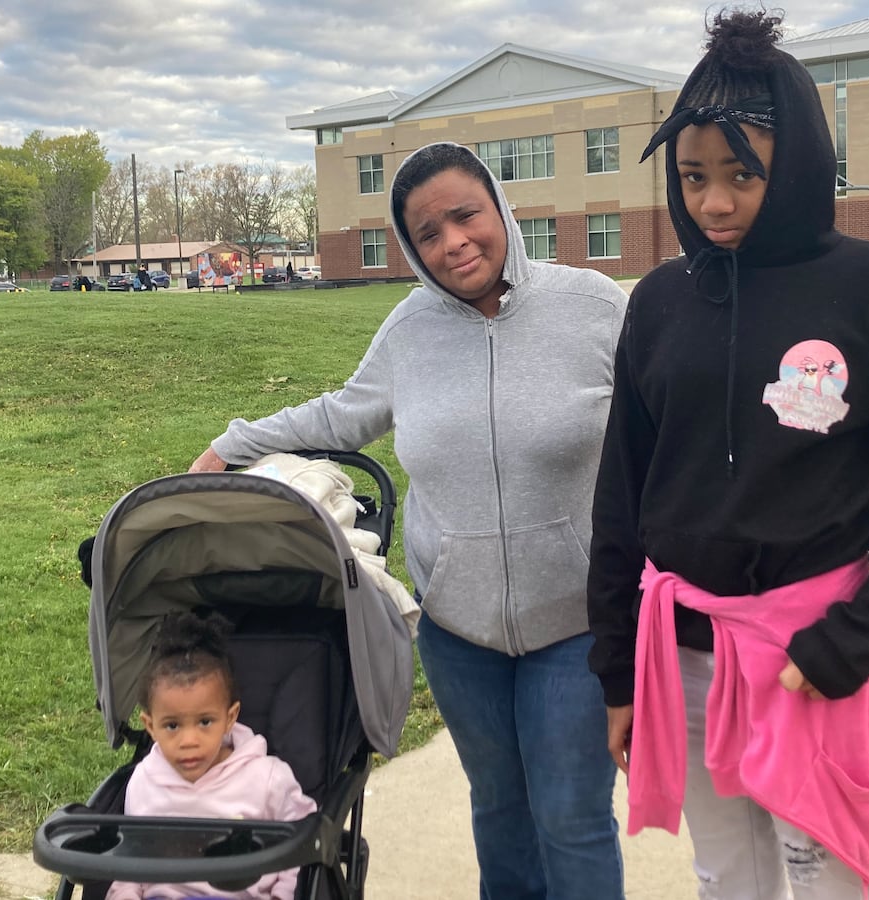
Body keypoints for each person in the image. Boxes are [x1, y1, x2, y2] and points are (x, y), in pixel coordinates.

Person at [586, 9, 869, 900]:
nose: (714, 202)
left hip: (813, 658)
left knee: (830, 878)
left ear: (798, 164)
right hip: (682, 660)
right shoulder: (656, 304)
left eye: (742, 174)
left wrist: (854, 642)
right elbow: (621, 497)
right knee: (728, 875)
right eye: (692, 177)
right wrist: (618, 671)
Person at [190, 141, 628, 899]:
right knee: (498, 809)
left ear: (500, 210)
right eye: (428, 233)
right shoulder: (410, 329)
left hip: (578, 622)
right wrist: (235, 442)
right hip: (460, 633)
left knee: (571, 817)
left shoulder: (594, 307)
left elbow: (670, 420)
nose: (453, 242)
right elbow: (346, 412)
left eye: (466, 216)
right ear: (411, 247)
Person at [107, 613, 316, 900]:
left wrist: (284, 895)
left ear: (230, 718)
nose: (189, 741)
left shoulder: (267, 779)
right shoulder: (143, 781)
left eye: (205, 722)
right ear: (150, 726)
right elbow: (129, 862)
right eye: (172, 726)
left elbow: (303, 842)